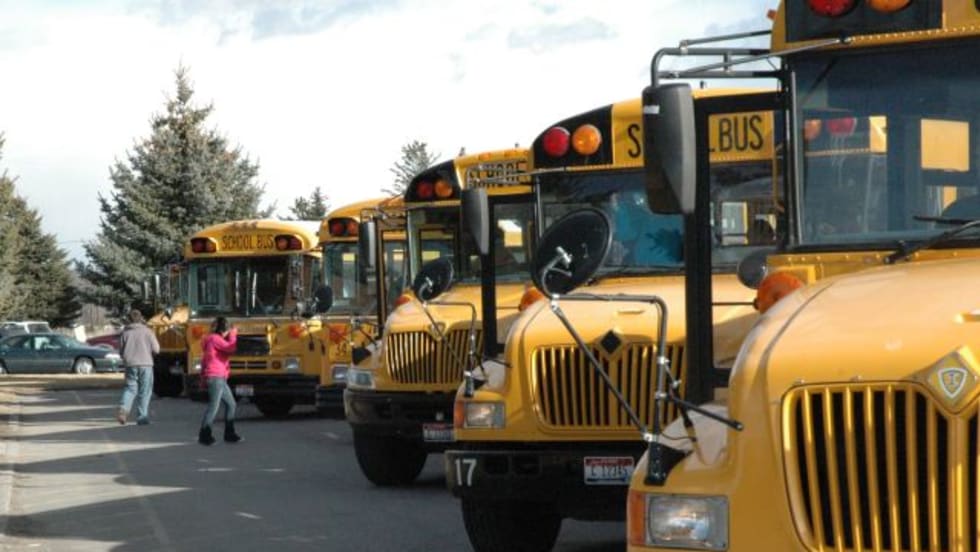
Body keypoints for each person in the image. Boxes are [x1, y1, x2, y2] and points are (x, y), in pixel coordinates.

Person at [198, 316, 242, 445]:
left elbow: (204, 361)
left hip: (218, 377)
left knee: (231, 404)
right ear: (224, 330)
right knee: (213, 407)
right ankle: (204, 435)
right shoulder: (215, 339)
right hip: (216, 377)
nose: (229, 333)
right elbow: (231, 348)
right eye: (228, 331)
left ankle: (230, 434)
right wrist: (233, 335)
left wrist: (203, 378)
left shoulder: (211, 340)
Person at [116, 309, 160, 426]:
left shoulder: (125, 333)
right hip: (146, 364)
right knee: (144, 391)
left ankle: (123, 409)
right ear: (141, 319)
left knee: (130, 388)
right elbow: (156, 349)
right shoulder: (148, 332)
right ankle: (142, 417)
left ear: (129, 320)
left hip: (130, 364)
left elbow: (120, 351)